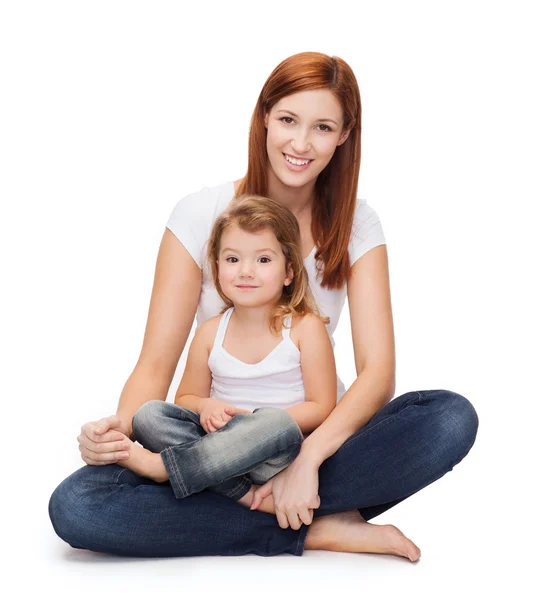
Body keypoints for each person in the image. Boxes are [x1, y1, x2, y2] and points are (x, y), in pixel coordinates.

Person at [49, 51, 478, 560]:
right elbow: (157, 365)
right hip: (211, 446)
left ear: (344, 135)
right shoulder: (198, 213)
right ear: (264, 118)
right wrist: (121, 433)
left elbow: (377, 374)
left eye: (322, 127)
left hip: (313, 441)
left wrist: (309, 461)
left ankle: (264, 506)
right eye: (288, 120)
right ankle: (308, 528)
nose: (300, 144)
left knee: (449, 418)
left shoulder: (359, 227)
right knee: (78, 505)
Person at [115, 194, 338, 513]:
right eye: (233, 259)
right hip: (217, 446)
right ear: (217, 267)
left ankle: (163, 469)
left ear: (288, 271)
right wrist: (207, 406)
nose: (246, 271)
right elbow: (186, 398)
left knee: (276, 421)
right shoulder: (210, 332)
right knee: (148, 415)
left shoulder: (305, 328)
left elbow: (322, 406)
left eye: (263, 260)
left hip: (273, 454)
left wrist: (250, 423)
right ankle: (244, 496)